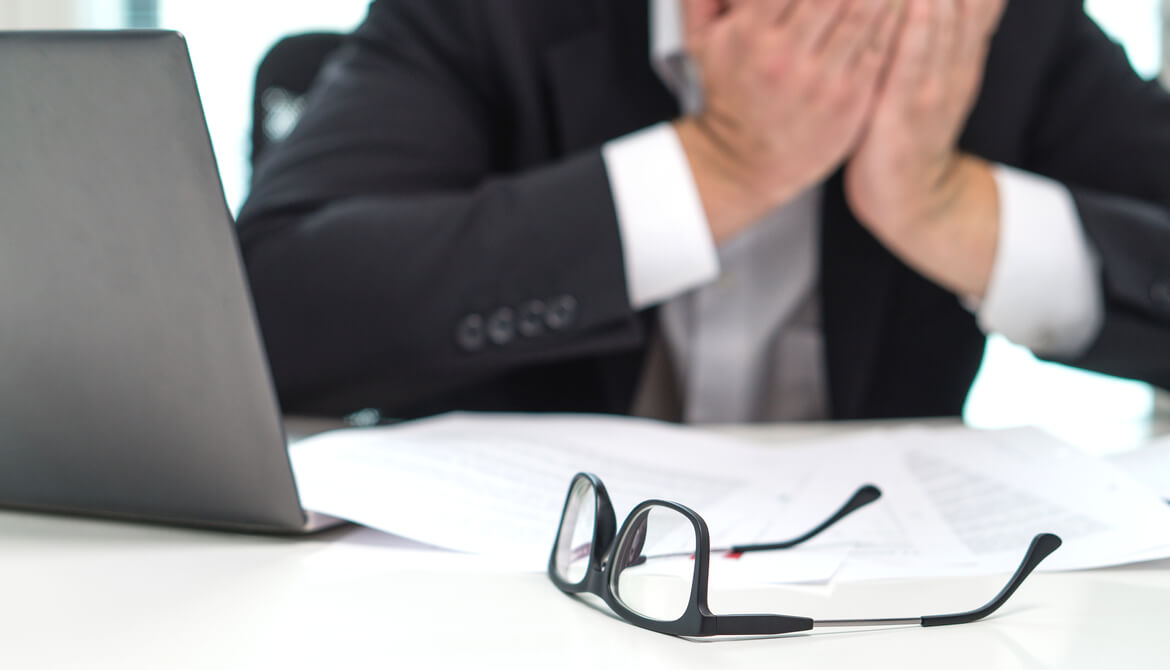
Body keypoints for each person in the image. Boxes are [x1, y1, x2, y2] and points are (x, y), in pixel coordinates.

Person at [236, 0, 1170, 422]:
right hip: (502, 606)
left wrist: (952, 208)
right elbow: (267, 313)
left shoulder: (995, 25)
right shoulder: (494, 16)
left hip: (887, 612)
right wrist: (714, 166)